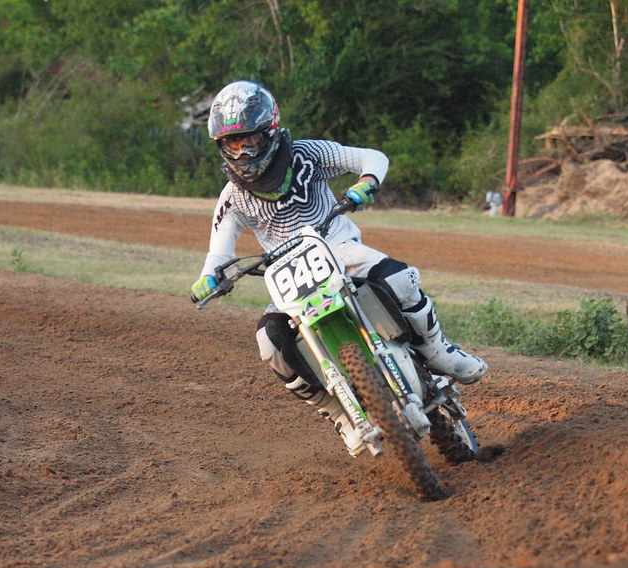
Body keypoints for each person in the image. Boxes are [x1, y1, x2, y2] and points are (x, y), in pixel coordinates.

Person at [190, 80, 487, 454]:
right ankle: (340, 414)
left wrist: (367, 182)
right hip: (290, 276)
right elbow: (219, 250)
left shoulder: (307, 154)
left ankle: (437, 350)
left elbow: (371, 157)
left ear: (270, 130)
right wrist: (209, 277)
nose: (244, 149)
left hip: (338, 247)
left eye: (250, 138)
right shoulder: (232, 197)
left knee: (401, 278)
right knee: (270, 342)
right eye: (233, 142)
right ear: (222, 146)